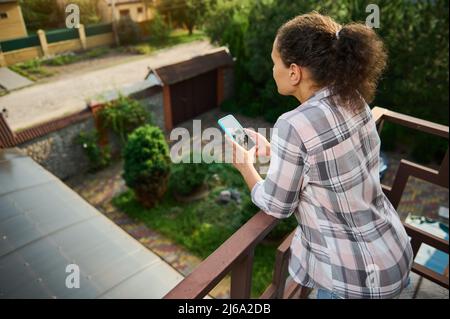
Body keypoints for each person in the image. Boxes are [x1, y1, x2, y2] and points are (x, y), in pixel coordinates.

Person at [226, 12, 413, 299]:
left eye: (274, 61)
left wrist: (246, 167)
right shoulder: (352, 98)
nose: (271, 69)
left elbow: (277, 206)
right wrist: (276, 150)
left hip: (354, 279)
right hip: (393, 253)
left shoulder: (294, 124)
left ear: (294, 72)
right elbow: (330, 158)